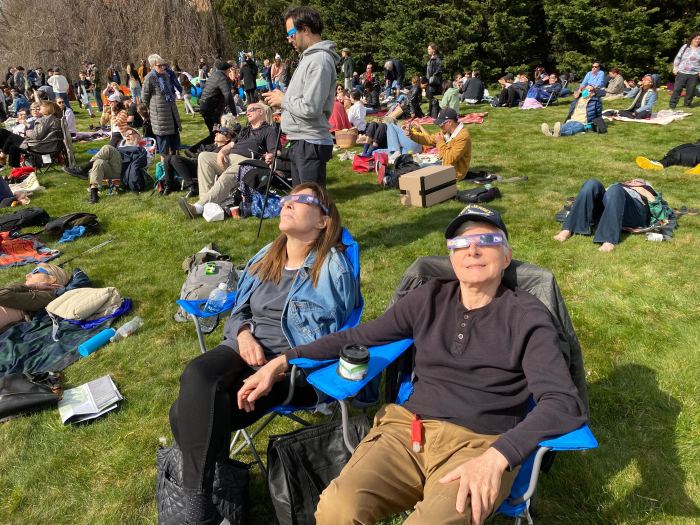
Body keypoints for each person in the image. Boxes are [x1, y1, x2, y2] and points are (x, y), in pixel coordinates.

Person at [239, 204, 586, 525]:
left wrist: (499, 456)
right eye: (461, 243)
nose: (473, 250)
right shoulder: (429, 298)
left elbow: (564, 403)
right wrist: (284, 361)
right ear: (451, 257)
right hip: (408, 432)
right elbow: (360, 336)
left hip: (480, 446)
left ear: (507, 255)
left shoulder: (527, 316)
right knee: (337, 508)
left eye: (487, 240)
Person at [169, 182, 356, 524]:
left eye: (302, 200)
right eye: (288, 198)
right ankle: (202, 510)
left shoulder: (332, 268)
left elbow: (332, 340)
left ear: (323, 221)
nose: (289, 203)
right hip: (244, 348)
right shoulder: (267, 254)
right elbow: (239, 311)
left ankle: (201, 507)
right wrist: (242, 335)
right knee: (196, 376)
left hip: (292, 369)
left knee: (187, 412)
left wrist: (277, 368)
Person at [262, 6, 338, 187]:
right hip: (301, 141)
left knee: (311, 206)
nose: (289, 40)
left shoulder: (319, 60)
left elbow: (311, 108)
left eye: (291, 34)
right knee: (301, 203)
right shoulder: (308, 58)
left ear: (305, 29)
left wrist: (284, 100)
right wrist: (282, 100)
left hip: (310, 143)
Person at [178, 102, 277, 219]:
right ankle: (206, 205)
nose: (247, 112)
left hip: (247, 162)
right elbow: (230, 145)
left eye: (251, 110)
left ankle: (198, 207)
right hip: (229, 157)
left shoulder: (269, 130)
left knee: (227, 175)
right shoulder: (245, 130)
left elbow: (274, 151)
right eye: (247, 110)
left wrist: (270, 156)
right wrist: (221, 152)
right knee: (204, 156)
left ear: (261, 112)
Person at [554, 178, 662, 252]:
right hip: (613, 203)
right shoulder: (618, 186)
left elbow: (662, 214)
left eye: (638, 181)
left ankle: (608, 239)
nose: (634, 181)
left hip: (635, 213)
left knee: (616, 190)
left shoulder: (647, 190)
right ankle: (569, 228)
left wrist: (647, 194)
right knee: (592, 183)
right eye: (632, 180)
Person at [65, 127, 147, 203]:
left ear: (138, 136)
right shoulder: (121, 146)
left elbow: (143, 164)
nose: (127, 135)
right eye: (126, 134)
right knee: (98, 162)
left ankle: (84, 170)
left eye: (130, 133)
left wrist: (136, 144)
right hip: (114, 170)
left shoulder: (141, 149)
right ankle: (94, 194)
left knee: (108, 148)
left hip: (125, 170)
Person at [162, 127, 233, 198]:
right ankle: (169, 185)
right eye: (216, 132)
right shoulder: (211, 145)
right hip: (195, 163)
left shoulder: (225, 150)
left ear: (227, 138)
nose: (216, 133)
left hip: (204, 168)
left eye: (220, 133)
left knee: (175, 158)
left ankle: (192, 186)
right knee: (168, 158)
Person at [0, 264, 70, 332]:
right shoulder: (28, 294)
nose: (27, 275)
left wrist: (30, 286)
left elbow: (3, 296)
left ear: (52, 279)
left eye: (35, 271)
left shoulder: (48, 296)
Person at [408, 108, 472, 180]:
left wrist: (440, 142)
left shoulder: (463, 136)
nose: (439, 126)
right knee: (416, 166)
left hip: (455, 173)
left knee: (418, 168)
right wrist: (412, 135)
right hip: (445, 165)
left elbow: (449, 159)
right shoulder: (447, 131)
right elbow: (429, 139)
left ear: (449, 122)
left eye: (441, 124)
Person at [0, 100, 63, 168]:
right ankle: (15, 169)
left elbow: (36, 135)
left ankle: (2, 156)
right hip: (49, 146)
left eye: (42, 107)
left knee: (12, 137)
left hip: (39, 147)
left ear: (47, 108)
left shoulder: (44, 120)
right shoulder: (53, 119)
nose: (40, 107)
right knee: (13, 146)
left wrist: (26, 131)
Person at [142, 54, 182, 157]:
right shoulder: (149, 78)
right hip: (160, 116)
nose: (162, 67)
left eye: (163, 65)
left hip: (171, 112)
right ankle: (165, 169)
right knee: (164, 148)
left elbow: (170, 92)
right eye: (159, 65)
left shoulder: (166, 75)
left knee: (175, 145)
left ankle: (175, 165)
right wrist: (153, 108)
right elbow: (145, 97)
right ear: (152, 66)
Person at [197, 60, 237, 146]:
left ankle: (200, 150)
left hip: (206, 108)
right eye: (229, 70)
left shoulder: (214, 75)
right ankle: (193, 150)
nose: (230, 72)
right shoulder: (222, 78)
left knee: (215, 133)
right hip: (212, 110)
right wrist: (234, 113)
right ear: (226, 70)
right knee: (216, 134)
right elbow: (228, 95)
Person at [635, 137, 700, 175]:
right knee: (677, 155)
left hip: (681, 152)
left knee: (674, 157)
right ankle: (660, 164)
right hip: (688, 152)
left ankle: (660, 164)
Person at [669, 33, 700, 109]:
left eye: (699, 39)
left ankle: (687, 105)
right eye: (696, 38)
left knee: (690, 91)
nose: (697, 40)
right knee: (677, 89)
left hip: (694, 74)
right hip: (682, 72)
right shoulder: (685, 47)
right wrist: (675, 68)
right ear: (692, 39)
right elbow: (678, 58)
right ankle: (672, 105)